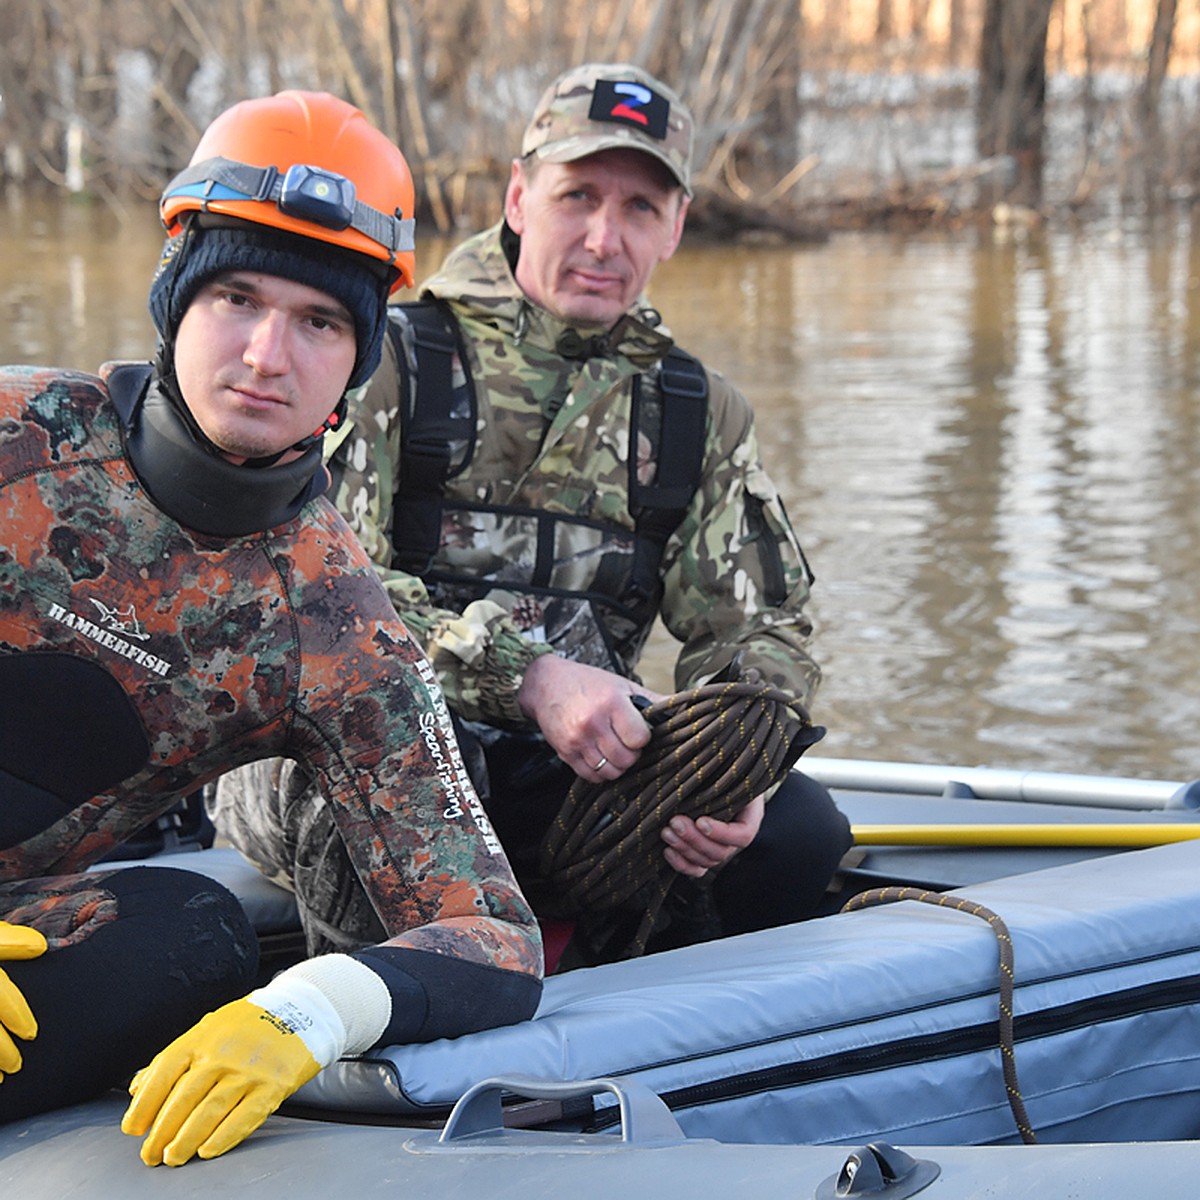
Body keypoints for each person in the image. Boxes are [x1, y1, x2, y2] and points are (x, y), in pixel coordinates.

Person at [0, 91, 541, 1164]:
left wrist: (305, 1015)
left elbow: (494, 935)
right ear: (176, 302)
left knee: (194, 937)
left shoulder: (333, 621)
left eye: (319, 321)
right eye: (236, 298)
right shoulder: (20, 440)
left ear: (357, 361)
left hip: (19, 933)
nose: (265, 353)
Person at [213, 63, 851, 967]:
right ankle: (377, 1065)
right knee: (419, 769)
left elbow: (765, 631)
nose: (603, 237)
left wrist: (739, 764)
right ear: (518, 197)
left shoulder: (698, 411)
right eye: (577, 195)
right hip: (333, 750)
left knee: (801, 831)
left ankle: (672, 1053)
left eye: (639, 208)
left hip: (561, 778)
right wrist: (529, 677)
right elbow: (321, 595)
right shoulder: (386, 356)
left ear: (675, 226)